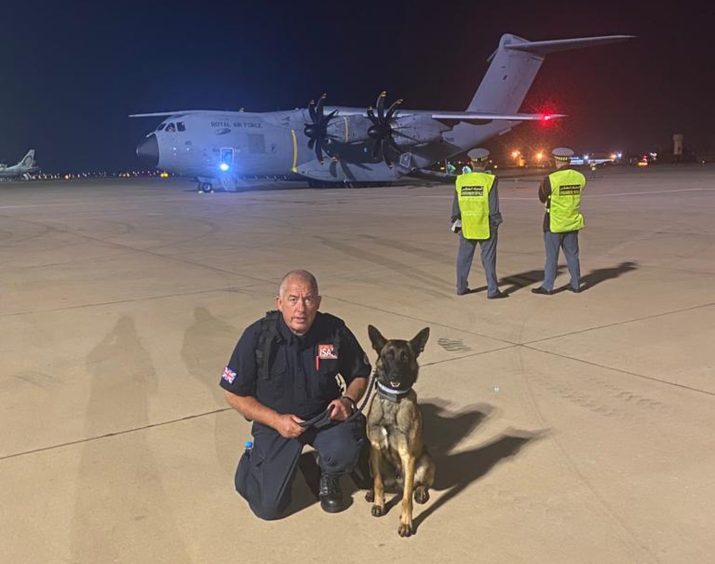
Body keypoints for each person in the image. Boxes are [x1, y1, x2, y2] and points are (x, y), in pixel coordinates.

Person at [220, 270, 371, 519]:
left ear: (318, 302)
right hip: (276, 423)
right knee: (268, 508)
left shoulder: (333, 331)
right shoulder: (258, 336)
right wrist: (276, 421)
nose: (301, 308)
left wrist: (348, 399)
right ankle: (252, 461)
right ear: (279, 303)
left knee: (347, 445)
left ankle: (329, 476)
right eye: (293, 299)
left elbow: (361, 373)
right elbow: (232, 394)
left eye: (308, 299)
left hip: (324, 418)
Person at [451, 148, 507, 298]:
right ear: (486, 162)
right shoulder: (490, 180)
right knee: (488, 259)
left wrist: (455, 221)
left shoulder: (461, 180)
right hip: (485, 225)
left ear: (471, 163)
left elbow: (456, 204)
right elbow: (493, 204)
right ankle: (492, 290)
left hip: (467, 225)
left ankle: (461, 287)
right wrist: (496, 222)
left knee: (463, 258)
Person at [532, 147, 586, 295]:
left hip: (554, 223)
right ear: (569, 160)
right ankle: (576, 284)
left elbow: (542, 197)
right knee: (573, 255)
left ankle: (548, 286)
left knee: (551, 257)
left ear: (556, 160)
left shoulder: (551, 178)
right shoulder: (579, 177)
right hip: (572, 222)